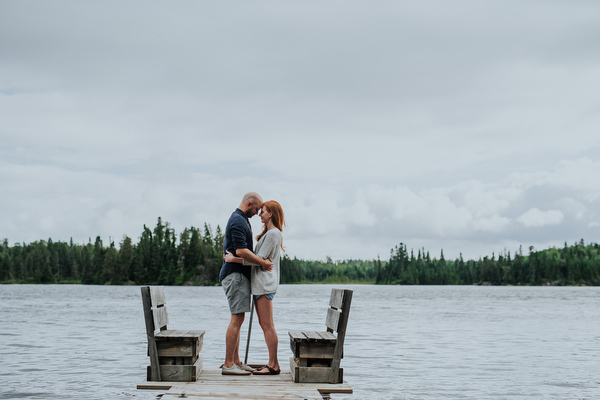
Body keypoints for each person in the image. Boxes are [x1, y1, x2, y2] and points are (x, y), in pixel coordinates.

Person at [225, 200, 285, 375]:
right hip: (261, 285)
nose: (260, 214)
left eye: (263, 211)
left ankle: (274, 365)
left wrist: (233, 259)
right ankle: (272, 363)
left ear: (271, 214)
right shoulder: (269, 233)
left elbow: (258, 258)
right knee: (265, 324)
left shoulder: (274, 233)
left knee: (268, 325)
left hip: (265, 285)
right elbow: (260, 259)